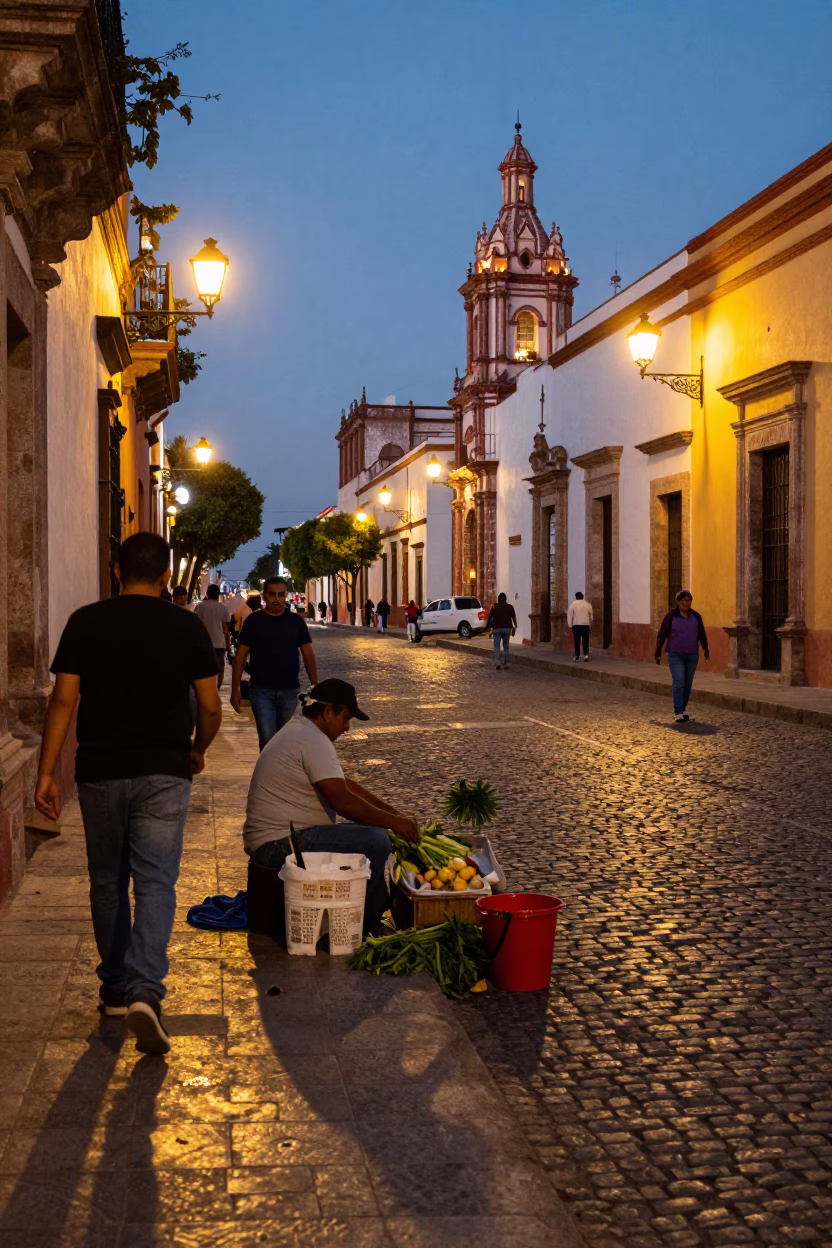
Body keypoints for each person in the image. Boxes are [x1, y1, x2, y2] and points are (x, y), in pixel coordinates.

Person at [35, 532, 222, 1055]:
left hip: (99, 771)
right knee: (157, 884)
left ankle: (115, 990)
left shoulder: (85, 622)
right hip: (164, 770)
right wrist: (198, 748)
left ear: (116, 571)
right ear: (167, 576)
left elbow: (62, 702)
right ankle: (146, 989)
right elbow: (209, 706)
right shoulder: (185, 626)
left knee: (106, 883)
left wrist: (46, 773)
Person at [243, 678, 419, 934]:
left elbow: (346, 786)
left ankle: (369, 911)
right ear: (328, 711)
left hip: (282, 839)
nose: (347, 727)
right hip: (279, 844)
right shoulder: (312, 739)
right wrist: (392, 823)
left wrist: (394, 814)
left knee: (373, 834)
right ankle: (370, 920)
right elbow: (344, 802)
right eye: (345, 718)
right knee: (376, 841)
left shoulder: (303, 731)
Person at [231, 575, 318, 750]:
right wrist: (235, 690)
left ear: (286, 595)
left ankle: (282, 776)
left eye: (280, 594)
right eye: (272, 595)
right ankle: (268, 776)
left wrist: (315, 685)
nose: (277, 599)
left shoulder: (295, 622)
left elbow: (308, 654)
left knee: (286, 741)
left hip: (290, 690)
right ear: (264, 597)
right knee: (267, 739)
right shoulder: (254, 621)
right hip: (261, 691)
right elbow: (241, 655)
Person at [655, 589, 710, 723]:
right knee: (679, 680)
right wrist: (657, 652)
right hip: (675, 654)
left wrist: (706, 649)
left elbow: (701, 633)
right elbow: (662, 634)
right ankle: (678, 711)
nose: (688, 603)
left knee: (687, 683)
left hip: (692, 655)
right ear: (679, 602)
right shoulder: (671, 616)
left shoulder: (696, 616)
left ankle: (682, 708)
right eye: (685, 600)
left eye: (689, 600)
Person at [194, 584, 232, 688]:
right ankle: (217, 688)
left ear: (207, 593)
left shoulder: (200, 607)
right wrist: (228, 646)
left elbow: (197, 626)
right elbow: (226, 630)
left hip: (204, 643)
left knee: (204, 668)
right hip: (220, 643)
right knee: (219, 667)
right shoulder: (223, 608)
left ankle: (205, 689)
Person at [486, 592, 517, 669]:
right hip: (507, 628)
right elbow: (514, 617)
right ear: (505, 599)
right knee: (506, 646)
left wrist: (488, 627)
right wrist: (515, 626)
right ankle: (506, 663)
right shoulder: (510, 607)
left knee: (497, 646)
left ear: (498, 599)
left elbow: (490, 617)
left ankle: (497, 663)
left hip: (497, 628)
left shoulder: (495, 606)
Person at [567, 592, 593, 661]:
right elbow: (591, 616)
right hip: (585, 625)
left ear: (576, 597)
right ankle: (586, 655)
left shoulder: (573, 605)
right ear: (582, 597)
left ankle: (577, 656)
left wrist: (570, 625)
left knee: (577, 641)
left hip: (576, 625)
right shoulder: (588, 605)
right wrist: (590, 624)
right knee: (585, 640)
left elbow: (569, 615)